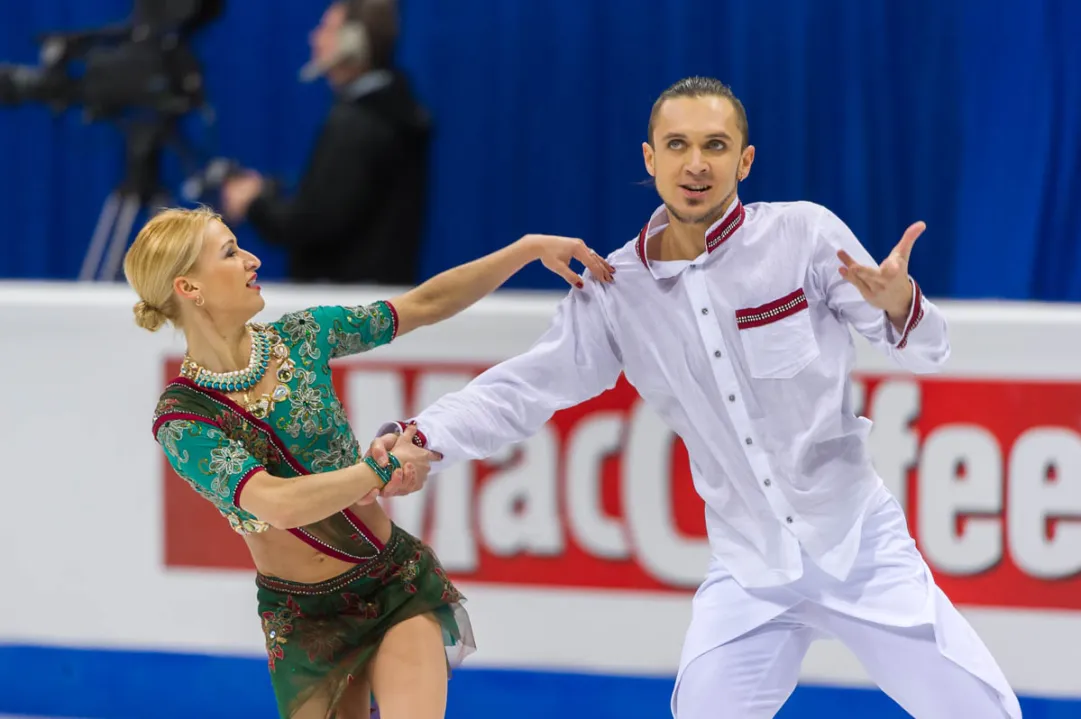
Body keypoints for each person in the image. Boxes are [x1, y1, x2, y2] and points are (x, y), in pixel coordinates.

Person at [373, 77, 1022, 719]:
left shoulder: (802, 235)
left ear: (743, 160)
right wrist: (424, 435)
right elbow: (521, 389)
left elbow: (925, 347)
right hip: (748, 568)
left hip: (858, 543)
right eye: (676, 144)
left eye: (714, 145)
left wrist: (901, 304)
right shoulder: (615, 289)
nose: (695, 164)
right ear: (649, 158)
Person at [122, 205, 614, 719]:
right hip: (303, 619)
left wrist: (527, 249)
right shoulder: (184, 417)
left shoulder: (302, 336)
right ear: (189, 288)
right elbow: (276, 503)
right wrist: (377, 469)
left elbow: (423, 304)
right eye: (228, 252)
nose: (251, 259)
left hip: (390, 582)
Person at [222, 0, 430, 285]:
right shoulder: (394, 111)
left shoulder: (359, 123)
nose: (315, 37)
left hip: (344, 310)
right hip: (375, 302)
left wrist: (255, 203)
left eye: (327, 28)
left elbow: (313, 223)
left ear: (354, 42)